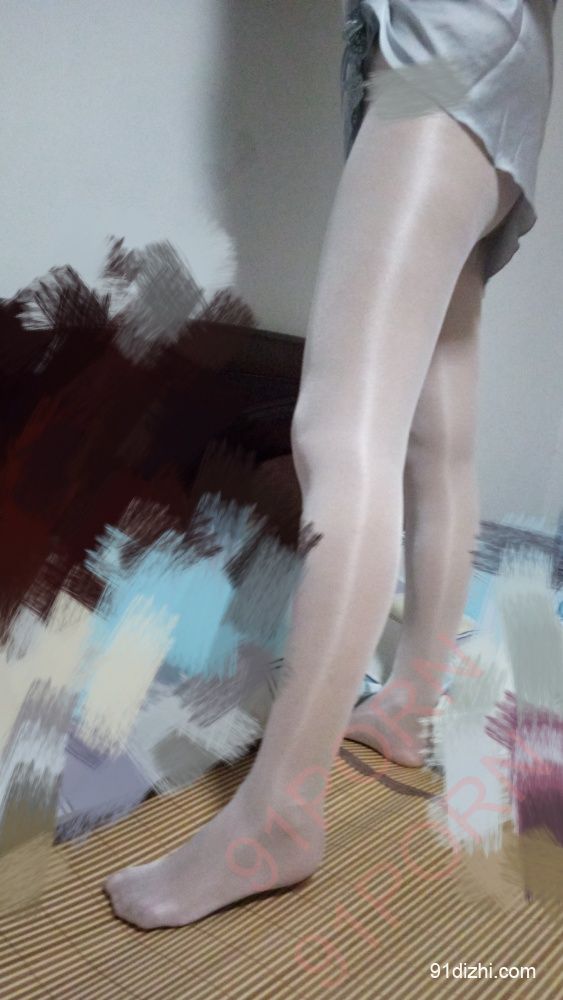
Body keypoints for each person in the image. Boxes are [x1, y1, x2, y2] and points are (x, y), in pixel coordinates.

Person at [104, 0, 556, 928]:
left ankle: (275, 814)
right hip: (504, 85)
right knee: (434, 439)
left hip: (441, 64)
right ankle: (410, 700)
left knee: (338, 436)